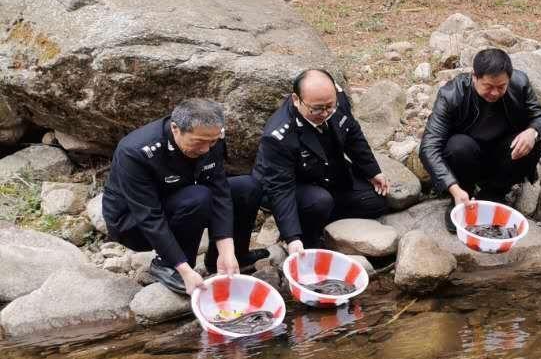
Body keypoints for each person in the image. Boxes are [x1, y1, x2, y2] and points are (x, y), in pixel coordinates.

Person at [101, 99, 262, 296]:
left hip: (182, 197)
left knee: (247, 187)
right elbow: (149, 216)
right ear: (176, 129)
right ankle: (168, 265)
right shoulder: (136, 152)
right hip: (133, 223)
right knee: (198, 196)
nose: (206, 150)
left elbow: (220, 192)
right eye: (199, 143)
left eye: (212, 142)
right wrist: (184, 268)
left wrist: (226, 251)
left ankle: (225, 260)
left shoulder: (210, 137)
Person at [252, 69, 391, 256]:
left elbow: (352, 135)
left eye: (329, 106)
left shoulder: (334, 100)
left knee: (376, 202)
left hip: (326, 172)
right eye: (317, 108)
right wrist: (292, 237)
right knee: (319, 202)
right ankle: (308, 235)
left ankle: (322, 215)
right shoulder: (278, 135)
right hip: (291, 183)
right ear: (296, 99)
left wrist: (373, 172)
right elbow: (280, 188)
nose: (325, 113)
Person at [419, 48, 541, 228]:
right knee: (458, 146)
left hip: (502, 156)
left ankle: (494, 194)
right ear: (475, 77)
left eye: (501, 87)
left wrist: (533, 131)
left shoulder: (520, 83)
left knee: (533, 143)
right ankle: (461, 197)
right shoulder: (451, 94)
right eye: (488, 86)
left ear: (509, 79)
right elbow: (428, 147)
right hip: (465, 158)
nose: (495, 93)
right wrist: (453, 187)